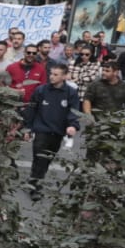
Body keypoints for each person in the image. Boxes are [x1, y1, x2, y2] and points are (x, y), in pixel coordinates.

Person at [23, 62, 81, 198]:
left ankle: (34, 179)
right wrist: (27, 129)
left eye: (56, 74)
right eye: (51, 73)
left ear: (64, 76)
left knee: (47, 159)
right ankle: (35, 187)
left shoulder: (71, 93)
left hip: (57, 132)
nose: (51, 77)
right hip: (41, 129)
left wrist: (72, 125)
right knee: (39, 157)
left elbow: (73, 111)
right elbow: (31, 109)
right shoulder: (41, 90)